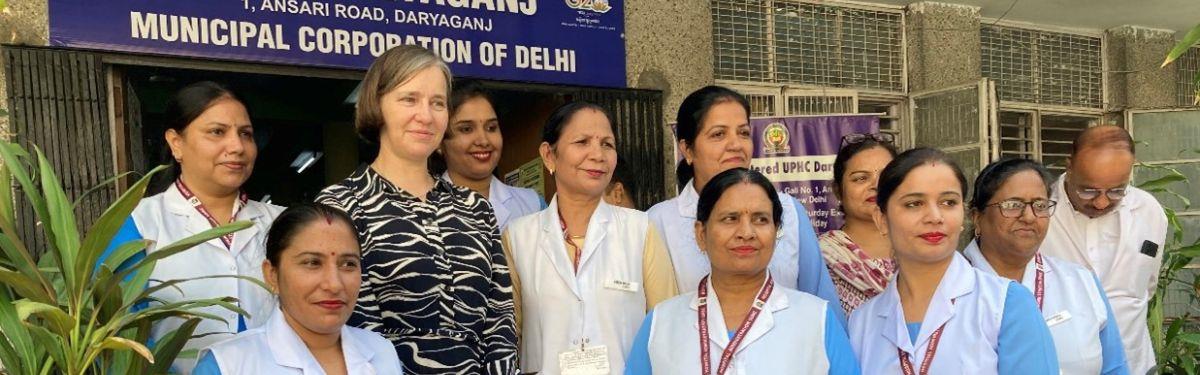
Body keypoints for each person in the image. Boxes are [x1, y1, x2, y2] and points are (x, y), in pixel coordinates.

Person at [315, 45, 518, 374]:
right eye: (409, 99)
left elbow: (501, 323)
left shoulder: (475, 208)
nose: (426, 115)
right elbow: (353, 330)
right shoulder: (340, 206)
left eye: (437, 103)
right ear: (377, 105)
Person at [101, 81, 284, 374]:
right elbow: (113, 337)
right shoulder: (139, 223)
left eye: (245, 134)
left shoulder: (283, 223)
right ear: (176, 143)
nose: (237, 147)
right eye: (217, 132)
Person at [625, 168, 860, 374]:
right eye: (730, 219)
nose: (746, 232)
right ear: (700, 234)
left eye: (760, 219)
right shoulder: (661, 323)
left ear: (776, 230)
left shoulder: (816, 319)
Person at [502, 101, 678, 374]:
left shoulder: (640, 230)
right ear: (549, 155)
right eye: (582, 142)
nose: (598, 154)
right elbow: (506, 338)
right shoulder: (518, 238)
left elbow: (666, 328)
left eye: (607, 144)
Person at [848, 148, 1059, 374]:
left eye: (948, 202)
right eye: (914, 204)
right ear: (881, 220)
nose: (935, 217)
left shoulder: (1006, 304)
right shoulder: (863, 322)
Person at [646, 85, 845, 324]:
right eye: (719, 134)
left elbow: (823, 304)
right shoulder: (658, 222)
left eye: (743, 133)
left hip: (787, 356)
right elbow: (657, 319)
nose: (736, 145)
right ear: (687, 149)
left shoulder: (788, 211)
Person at [193, 203, 402, 374]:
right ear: (272, 274)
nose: (334, 284)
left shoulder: (381, 351)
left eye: (348, 264)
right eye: (312, 263)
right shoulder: (229, 365)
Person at [963, 158, 1128, 374]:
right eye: (1013, 205)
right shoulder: (948, 288)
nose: (1029, 217)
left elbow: (1114, 368)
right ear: (977, 217)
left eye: (1040, 205)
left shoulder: (1080, 282)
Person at [1039, 125, 1166, 375]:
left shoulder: (1149, 211)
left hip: (1135, 362)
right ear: (1069, 166)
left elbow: (1147, 287)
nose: (1101, 202)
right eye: (1088, 190)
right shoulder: (1038, 214)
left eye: (1117, 191)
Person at [437, 80, 544, 230]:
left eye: (491, 128)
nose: (483, 140)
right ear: (439, 142)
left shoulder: (533, 204)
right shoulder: (420, 208)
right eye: (467, 129)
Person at [820, 133, 899, 315]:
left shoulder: (920, 251)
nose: (876, 185)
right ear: (838, 190)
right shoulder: (822, 258)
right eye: (861, 178)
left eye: (886, 176)